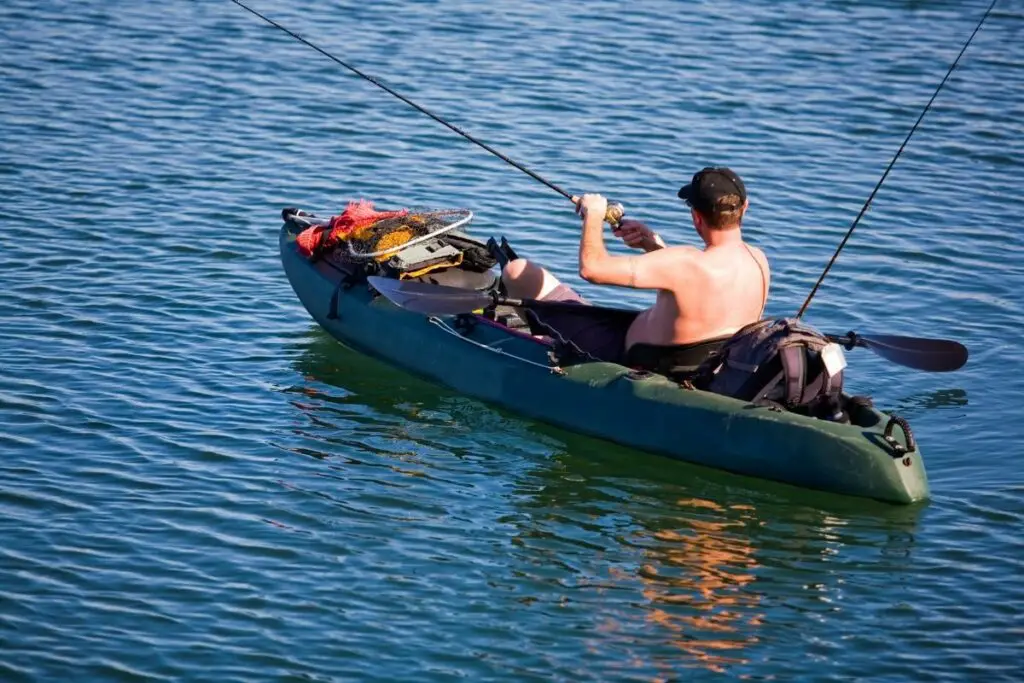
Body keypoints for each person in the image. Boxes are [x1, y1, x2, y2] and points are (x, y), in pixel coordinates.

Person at [501, 167, 770, 374]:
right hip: (700, 365)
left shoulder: (685, 262)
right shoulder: (757, 261)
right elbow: (699, 293)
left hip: (627, 355)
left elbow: (592, 269)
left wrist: (593, 215)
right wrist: (651, 245)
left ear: (696, 216)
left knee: (516, 271)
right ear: (744, 208)